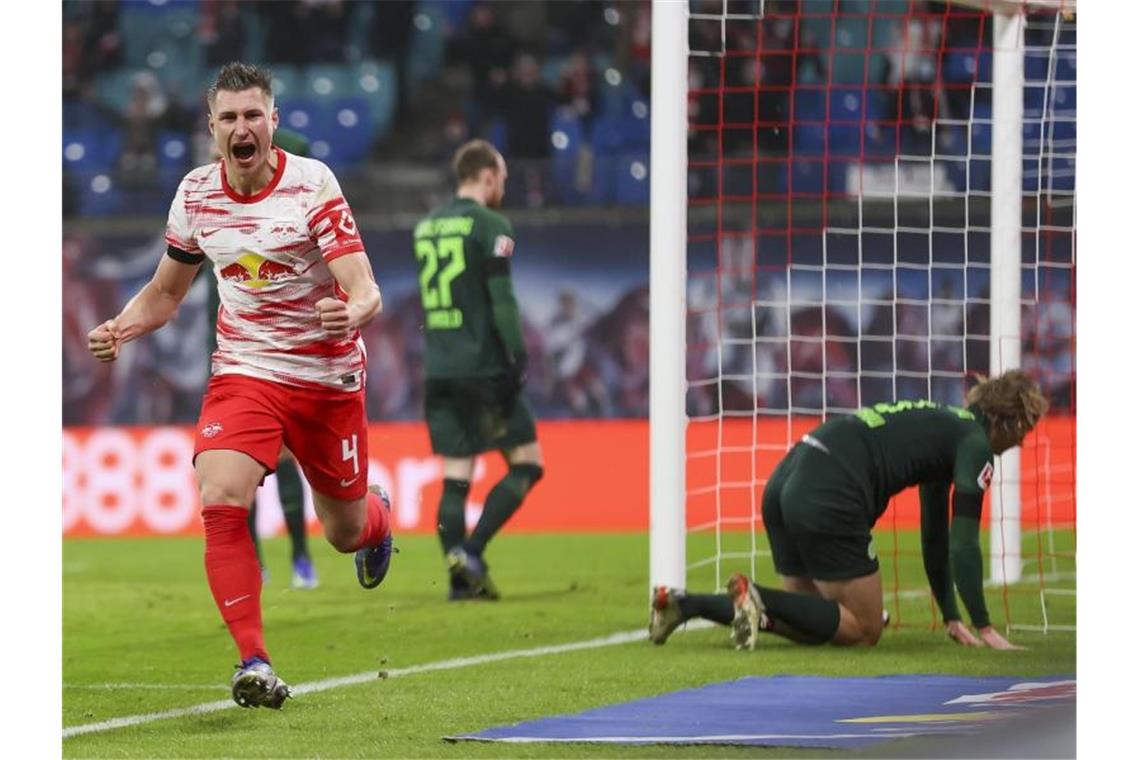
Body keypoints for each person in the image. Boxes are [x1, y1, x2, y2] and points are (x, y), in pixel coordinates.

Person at [88, 62, 394, 710]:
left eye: (252, 114)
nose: (241, 127)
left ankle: (377, 518)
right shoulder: (197, 195)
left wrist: (354, 309)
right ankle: (253, 660)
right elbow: (168, 292)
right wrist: (123, 327)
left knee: (343, 531)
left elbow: (363, 285)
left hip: (326, 375)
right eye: (228, 117)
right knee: (220, 493)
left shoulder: (313, 186)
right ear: (211, 129)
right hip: (246, 370)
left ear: (273, 121)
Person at [649, 370, 1048, 652]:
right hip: (829, 491)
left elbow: (935, 536)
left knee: (818, 624)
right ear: (1007, 422)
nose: (1021, 443)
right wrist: (985, 626)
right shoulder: (975, 443)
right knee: (865, 630)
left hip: (788, 477)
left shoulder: (945, 428)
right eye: (1023, 432)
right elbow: (962, 545)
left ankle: (686, 604)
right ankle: (750, 594)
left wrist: (951, 616)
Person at [412, 139, 544, 601]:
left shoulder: (425, 227)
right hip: (484, 367)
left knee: (456, 475)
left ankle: (457, 581)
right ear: (487, 175)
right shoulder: (491, 225)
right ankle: (471, 550)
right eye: (502, 178)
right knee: (528, 464)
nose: (503, 187)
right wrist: (518, 355)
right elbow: (501, 299)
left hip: (439, 368)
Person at [202, 127, 318, 590]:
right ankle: (267, 563)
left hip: (292, 356)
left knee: (287, 459)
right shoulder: (213, 207)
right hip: (237, 356)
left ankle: (300, 558)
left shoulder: (303, 203)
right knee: (236, 468)